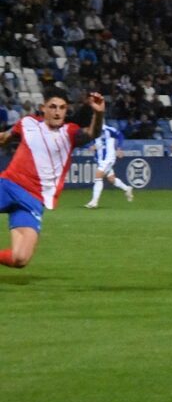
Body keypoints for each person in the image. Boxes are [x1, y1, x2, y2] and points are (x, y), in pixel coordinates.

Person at [0, 89, 105, 269]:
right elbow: (4, 138)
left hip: (33, 200)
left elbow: (92, 133)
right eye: (53, 107)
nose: (57, 112)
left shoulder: (70, 133)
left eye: (62, 108)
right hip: (9, 186)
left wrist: (99, 113)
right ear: (43, 108)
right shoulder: (27, 123)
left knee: (20, 259)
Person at [84, 124, 134, 209]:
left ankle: (94, 202)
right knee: (112, 179)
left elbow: (120, 135)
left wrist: (119, 148)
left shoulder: (109, 130)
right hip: (101, 160)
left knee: (98, 177)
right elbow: (85, 143)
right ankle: (127, 188)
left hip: (108, 158)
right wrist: (90, 146)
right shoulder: (93, 131)